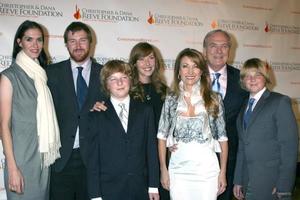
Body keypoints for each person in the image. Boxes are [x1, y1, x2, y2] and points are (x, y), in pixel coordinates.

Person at [0, 20, 61, 199]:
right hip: (20, 160)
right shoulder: (8, 77)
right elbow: (4, 125)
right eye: (29, 39)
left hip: (42, 159)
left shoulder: (41, 76)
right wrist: (12, 168)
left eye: (39, 40)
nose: (35, 45)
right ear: (19, 42)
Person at [157, 48, 228, 200]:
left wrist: (222, 173)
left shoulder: (214, 99)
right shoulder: (171, 99)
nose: (190, 71)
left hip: (207, 170)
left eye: (195, 66)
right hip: (178, 169)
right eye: (185, 66)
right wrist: (164, 169)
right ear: (178, 71)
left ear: (202, 70)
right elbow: (162, 137)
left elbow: (222, 139)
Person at [46, 22, 105, 200]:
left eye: (82, 40)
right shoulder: (50, 73)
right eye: (72, 41)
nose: (78, 46)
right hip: (60, 159)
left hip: (94, 160)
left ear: (91, 42)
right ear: (66, 44)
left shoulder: (105, 74)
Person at [87, 60, 160, 200]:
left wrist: (153, 185)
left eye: (124, 78)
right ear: (106, 85)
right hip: (109, 189)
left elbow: (151, 150)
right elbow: (93, 159)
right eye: (113, 79)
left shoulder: (145, 111)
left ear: (131, 81)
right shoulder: (96, 115)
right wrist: (95, 195)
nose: (119, 83)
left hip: (140, 188)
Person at [233, 58, 298, 200]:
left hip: (272, 183)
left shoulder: (280, 102)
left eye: (258, 75)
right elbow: (242, 147)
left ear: (266, 77)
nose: (252, 79)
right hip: (247, 181)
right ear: (243, 80)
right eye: (247, 76)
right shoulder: (244, 106)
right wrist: (238, 180)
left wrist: (284, 185)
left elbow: (289, 148)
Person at [202, 29, 248, 200]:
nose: (219, 51)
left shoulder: (243, 79)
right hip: (196, 157)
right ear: (205, 50)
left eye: (224, 46)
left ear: (230, 50)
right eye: (213, 46)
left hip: (229, 158)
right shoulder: (191, 76)